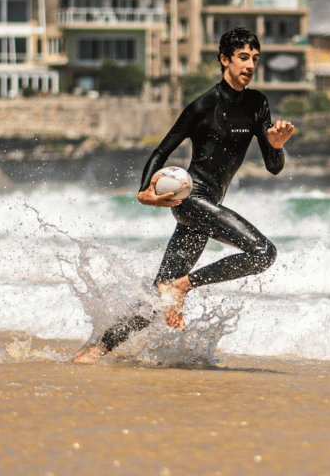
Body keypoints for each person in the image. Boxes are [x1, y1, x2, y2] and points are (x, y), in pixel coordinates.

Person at [74, 27, 295, 364]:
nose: (250, 65)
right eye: (243, 58)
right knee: (263, 252)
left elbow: (273, 166)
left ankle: (95, 350)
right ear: (225, 60)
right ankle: (183, 286)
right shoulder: (203, 105)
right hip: (190, 200)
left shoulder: (257, 104)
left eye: (255, 59)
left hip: (207, 208)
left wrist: (277, 147)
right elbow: (161, 152)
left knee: (154, 300)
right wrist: (144, 193)